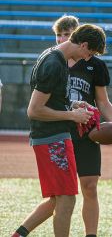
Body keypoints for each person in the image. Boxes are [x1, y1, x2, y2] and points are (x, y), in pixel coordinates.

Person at [12, 24, 106, 237]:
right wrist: (71, 116)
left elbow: (52, 101)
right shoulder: (54, 63)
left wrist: (75, 106)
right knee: (67, 198)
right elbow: (34, 110)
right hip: (52, 138)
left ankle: (18, 235)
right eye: (88, 53)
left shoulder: (55, 56)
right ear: (82, 44)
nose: (85, 58)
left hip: (51, 136)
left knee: (58, 197)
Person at [52, 15, 112, 237]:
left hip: (86, 131)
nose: (63, 38)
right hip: (59, 131)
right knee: (61, 194)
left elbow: (102, 101)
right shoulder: (52, 61)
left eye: (67, 33)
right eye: (59, 35)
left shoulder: (94, 63)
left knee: (90, 186)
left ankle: (90, 234)